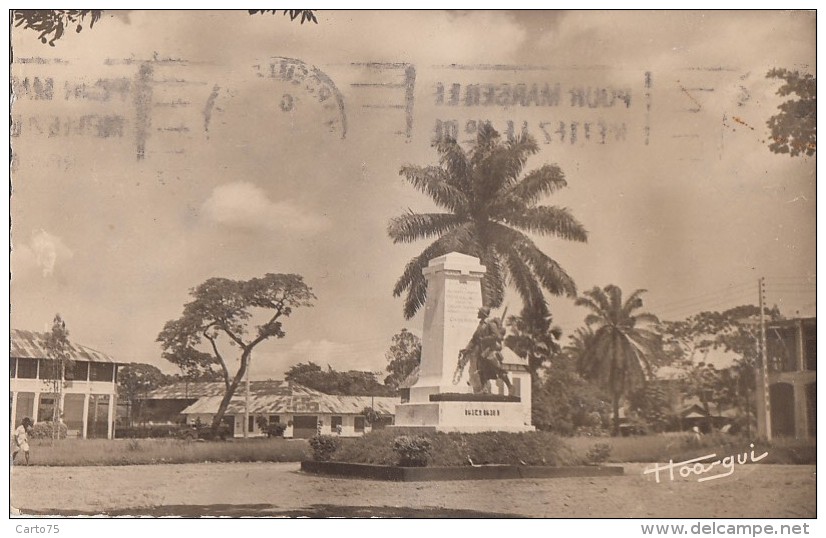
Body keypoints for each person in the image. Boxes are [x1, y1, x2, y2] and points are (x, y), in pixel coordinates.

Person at [455, 307, 512, 393]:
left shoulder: (490, 323)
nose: (478, 313)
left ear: (483, 314)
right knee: (481, 370)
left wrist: (484, 339)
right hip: (482, 352)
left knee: (498, 370)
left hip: (490, 351)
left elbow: (495, 336)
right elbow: (474, 339)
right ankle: (484, 388)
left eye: (479, 312)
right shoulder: (481, 324)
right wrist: (467, 349)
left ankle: (510, 386)